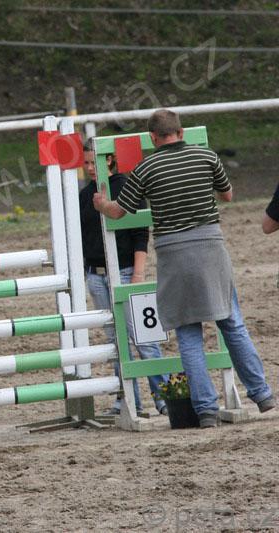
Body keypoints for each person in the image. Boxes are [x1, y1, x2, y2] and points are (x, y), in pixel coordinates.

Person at [93, 109, 275, 429]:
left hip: (173, 253)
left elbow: (120, 212)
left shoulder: (146, 167)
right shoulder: (207, 156)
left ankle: (205, 410)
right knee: (231, 323)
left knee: (188, 333)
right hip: (211, 247)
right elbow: (227, 195)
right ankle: (261, 394)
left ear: (153, 138)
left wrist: (102, 204)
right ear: (181, 132)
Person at [80, 141, 169, 417]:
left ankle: (165, 396)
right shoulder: (83, 195)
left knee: (144, 338)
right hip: (96, 274)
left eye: (94, 162)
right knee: (115, 342)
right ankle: (127, 399)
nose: (90, 168)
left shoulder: (128, 187)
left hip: (128, 271)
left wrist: (139, 273)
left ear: (109, 160)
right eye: (86, 162)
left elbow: (141, 233)